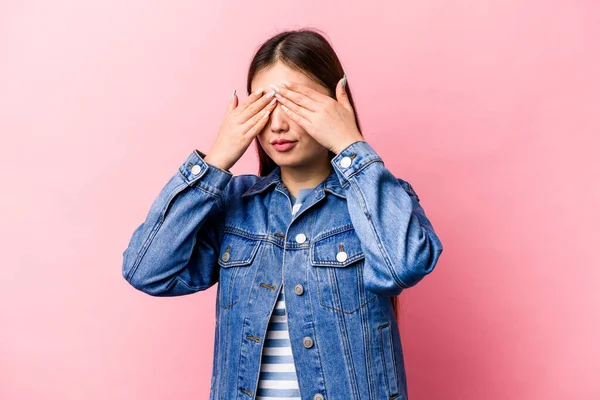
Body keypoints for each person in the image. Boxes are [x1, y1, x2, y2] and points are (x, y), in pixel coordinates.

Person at [122, 28, 444, 400]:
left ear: (336, 105)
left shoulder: (378, 199)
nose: (277, 125)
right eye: (264, 106)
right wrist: (216, 161)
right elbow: (146, 270)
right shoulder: (236, 205)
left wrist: (350, 144)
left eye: (295, 103)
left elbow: (402, 266)